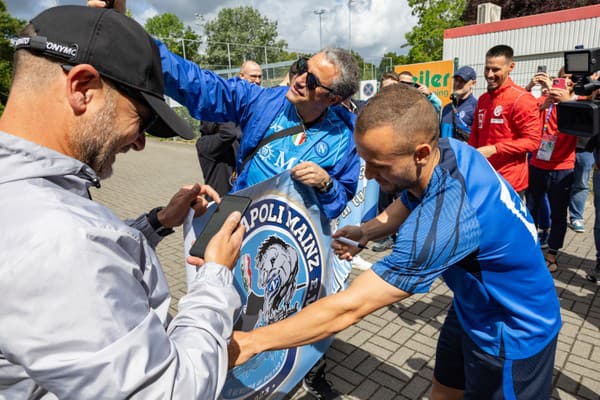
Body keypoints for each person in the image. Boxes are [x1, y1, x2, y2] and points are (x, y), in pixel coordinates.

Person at [229, 84, 561, 399]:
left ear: (421, 153)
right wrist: (367, 231)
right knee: (444, 388)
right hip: (470, 307)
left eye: (379, 165)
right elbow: (413, 197)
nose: (369, 176)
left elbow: (350, 307)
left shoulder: (445, 222)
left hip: (512, 328)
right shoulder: (446, 152)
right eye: (365, 162)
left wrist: (252, 342)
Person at [0, 6, 245, 399]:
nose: (140, 142)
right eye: (142, 119)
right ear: (81, 88)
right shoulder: (61, 242)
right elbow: (173, 391)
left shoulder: (29, 198)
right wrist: (215, 276)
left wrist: (158, 222)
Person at [468, 45, 541, 198]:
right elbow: (475, 135)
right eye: (487, 69)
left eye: (495, 70)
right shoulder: (483, 99)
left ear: (511, 67)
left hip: (509, 183)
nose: (489, 74)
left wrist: (495, 149)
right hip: (483, 179)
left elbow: (533, 141)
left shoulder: (522, 99)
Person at [525, 67, 578, 273]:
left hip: (562, 167)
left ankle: (552, 253)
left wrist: (565, 101)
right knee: (531, 209)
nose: (565, 81)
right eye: (562, 78)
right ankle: (529, 247)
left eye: (570, 79)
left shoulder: (578, 104)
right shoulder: (545, 100)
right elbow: (524, 115)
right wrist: (534, 90)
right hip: (538, 163)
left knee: (558, 213)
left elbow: (582, 126)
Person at [196, 60, 263, 196]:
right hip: (219, 203)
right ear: (242, 76)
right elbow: (231, 132)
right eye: (253, 76)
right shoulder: (205, 145)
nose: (257, 80)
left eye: (259, 76)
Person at [440, 66, 478, 141]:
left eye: (462, 81)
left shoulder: (476, 107)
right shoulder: (447, 108)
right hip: (445, 151)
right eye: (456, 80)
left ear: (473, 83)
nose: (457, 84)